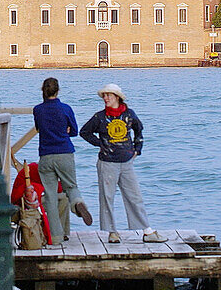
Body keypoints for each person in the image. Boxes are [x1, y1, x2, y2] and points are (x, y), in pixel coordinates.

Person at [79, 82, 166, 244]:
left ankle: (147, 230)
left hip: (127, 162)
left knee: (135, 196)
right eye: (104, 96)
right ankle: (112, 232)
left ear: (117, 97)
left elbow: (139, 130)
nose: (105, 98)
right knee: (107, 197)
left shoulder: (129, 114)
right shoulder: (99, 117)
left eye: (109, 95)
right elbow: (84, 132)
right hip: (107, 162)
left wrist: (137, 149)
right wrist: (100, 144)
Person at [32, 77, 93, 245]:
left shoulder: (38, 110)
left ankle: (56, 236)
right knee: (71, 186)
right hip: (65, 152)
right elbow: (74, 131)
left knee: (50, 196)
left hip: (45, 156)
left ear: (43, 91)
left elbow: (38, 128)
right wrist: (65, 131)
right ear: (58, 91)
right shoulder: (66, 108)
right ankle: (77, 203)